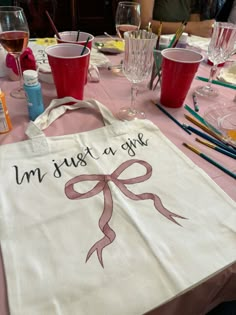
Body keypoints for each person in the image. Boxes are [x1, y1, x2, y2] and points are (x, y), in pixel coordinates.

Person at [137, 0, 214, 37]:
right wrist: (189, 27)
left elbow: (195, 34)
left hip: (180, 50)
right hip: (149, 48)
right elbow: (143, 23)